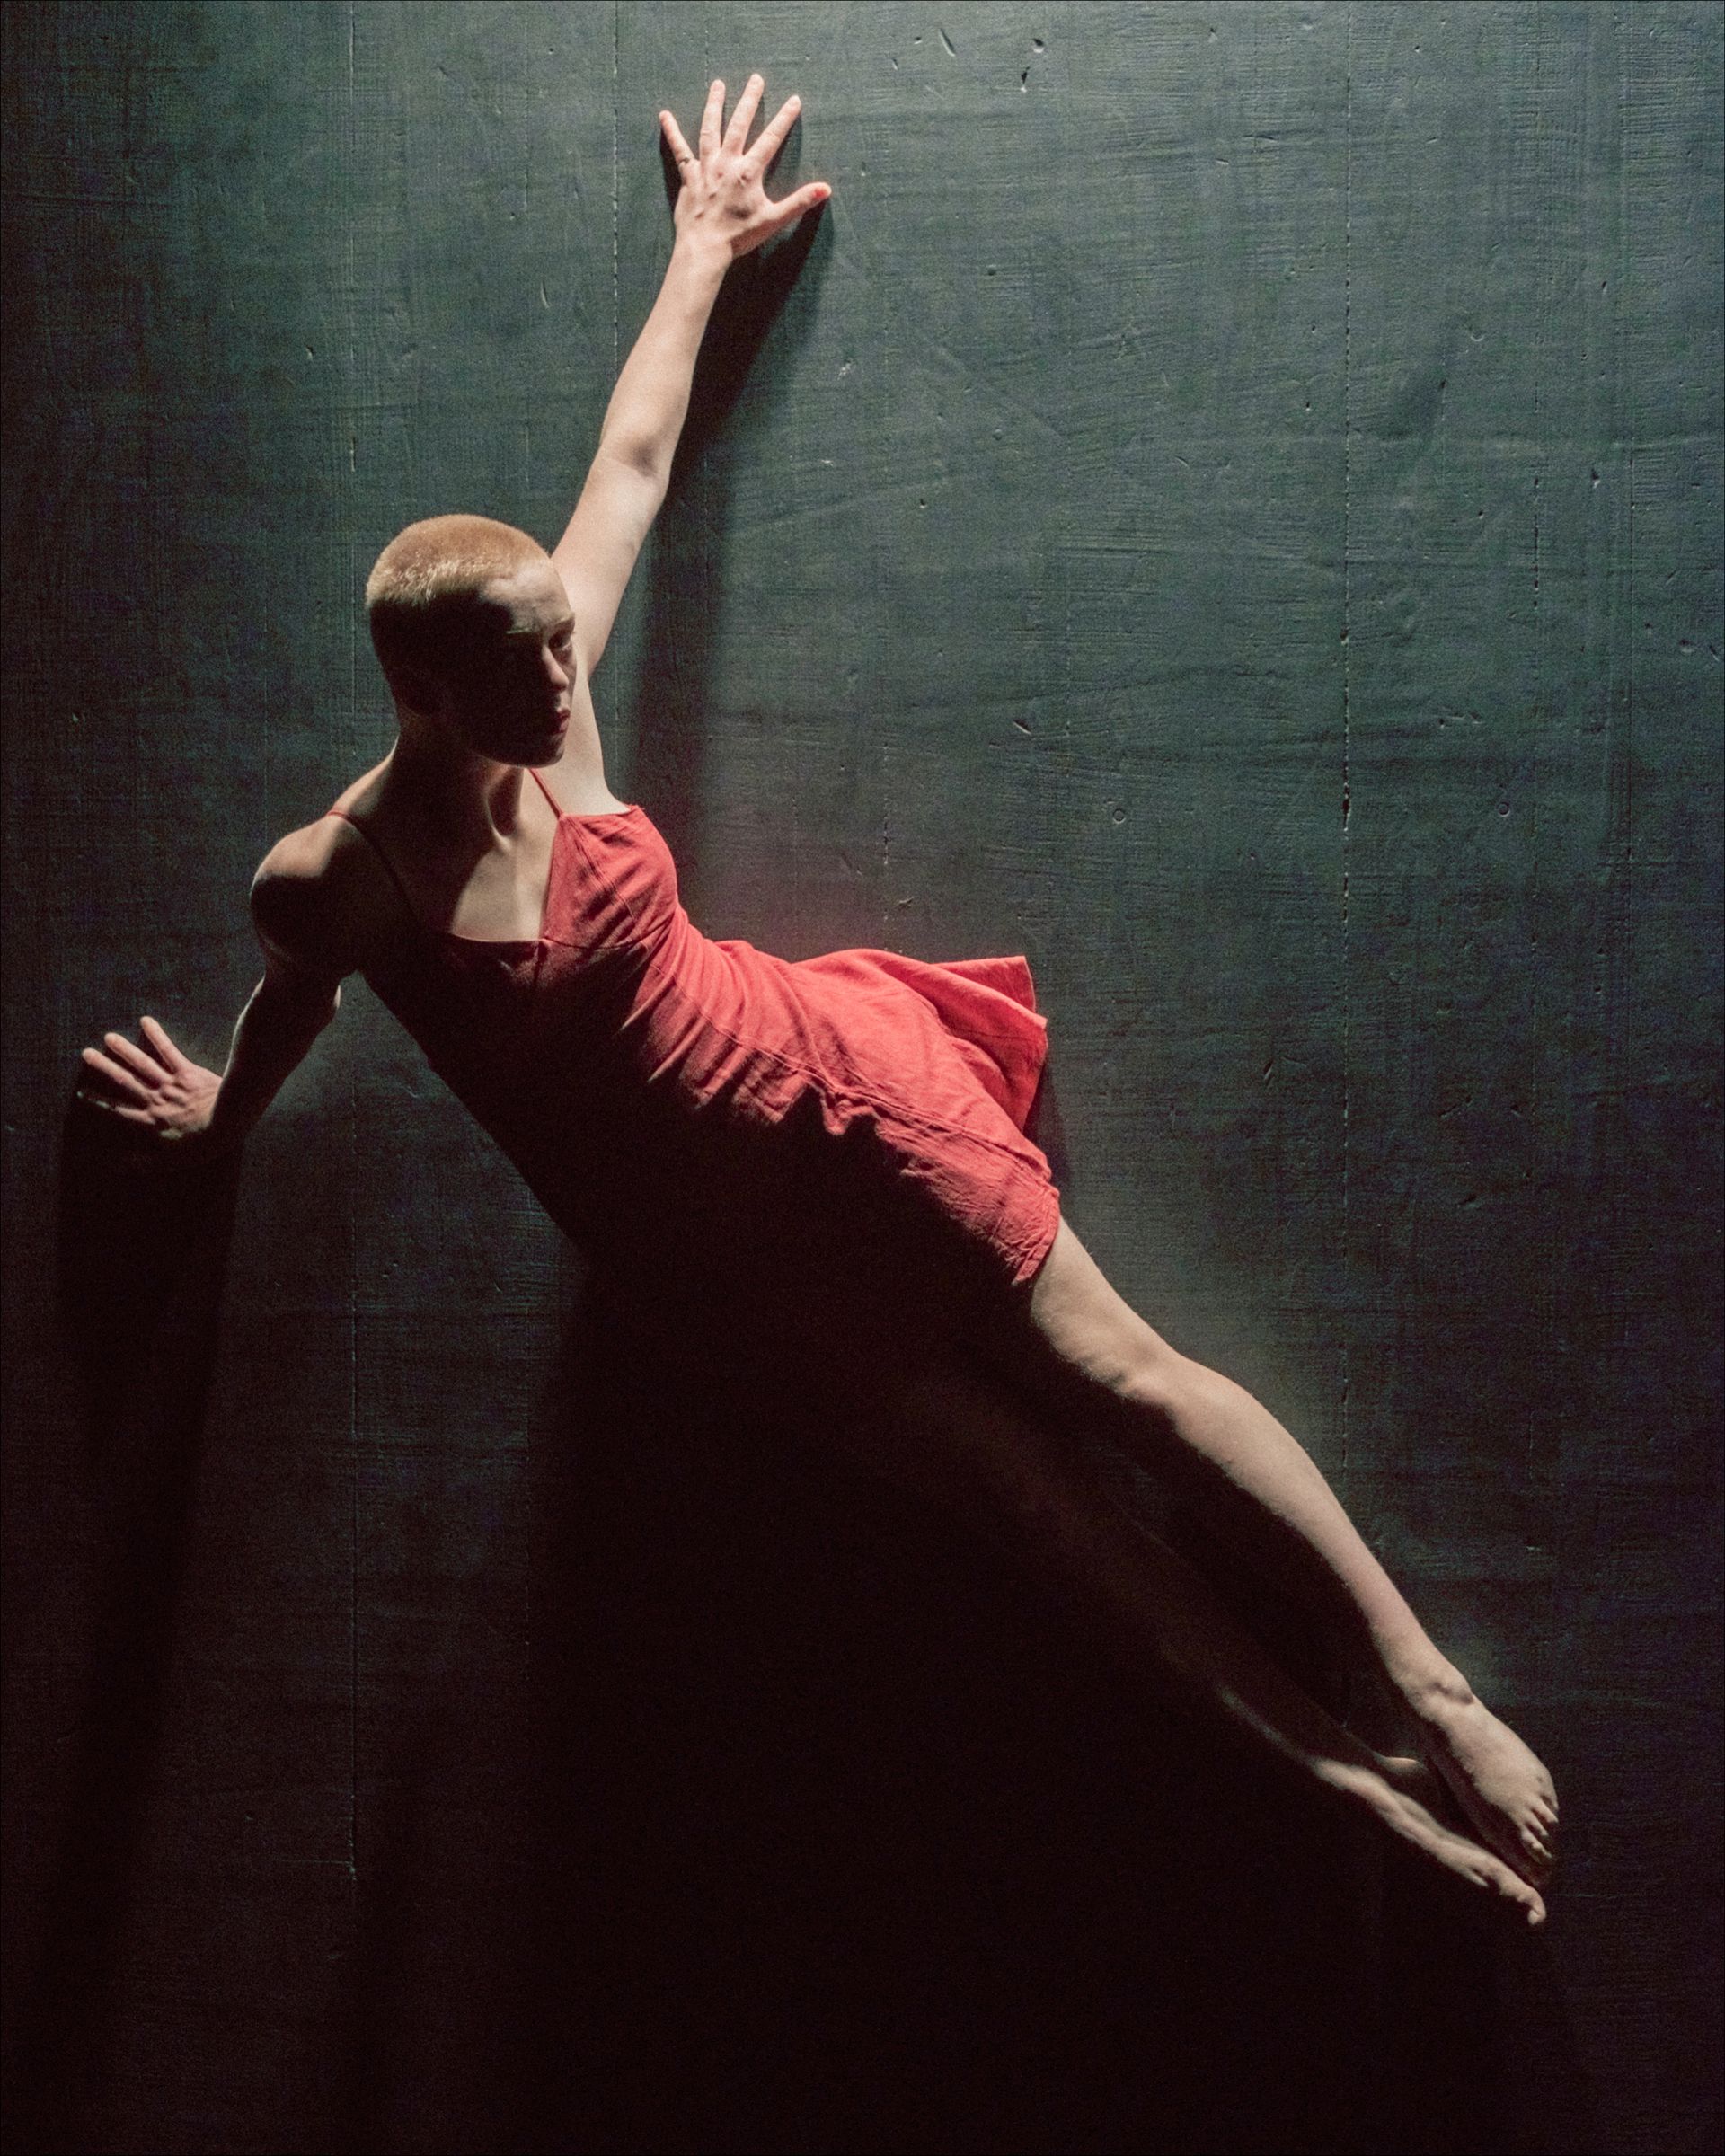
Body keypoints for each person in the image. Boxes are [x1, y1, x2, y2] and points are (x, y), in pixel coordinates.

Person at [75, 74, 1558, 1924]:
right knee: (1033, 1512)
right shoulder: (342, 876)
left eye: (566, 645)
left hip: (839, 1092)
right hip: (714, 1260)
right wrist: (227, 1107)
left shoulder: (553, 689)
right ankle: (1356, 1788)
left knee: (1129, 1380)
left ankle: (1428, 1684)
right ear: (427, 695)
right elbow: (299, 992)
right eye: (531, 671)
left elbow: (626, 468)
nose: (569, 680)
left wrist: (701, 249)